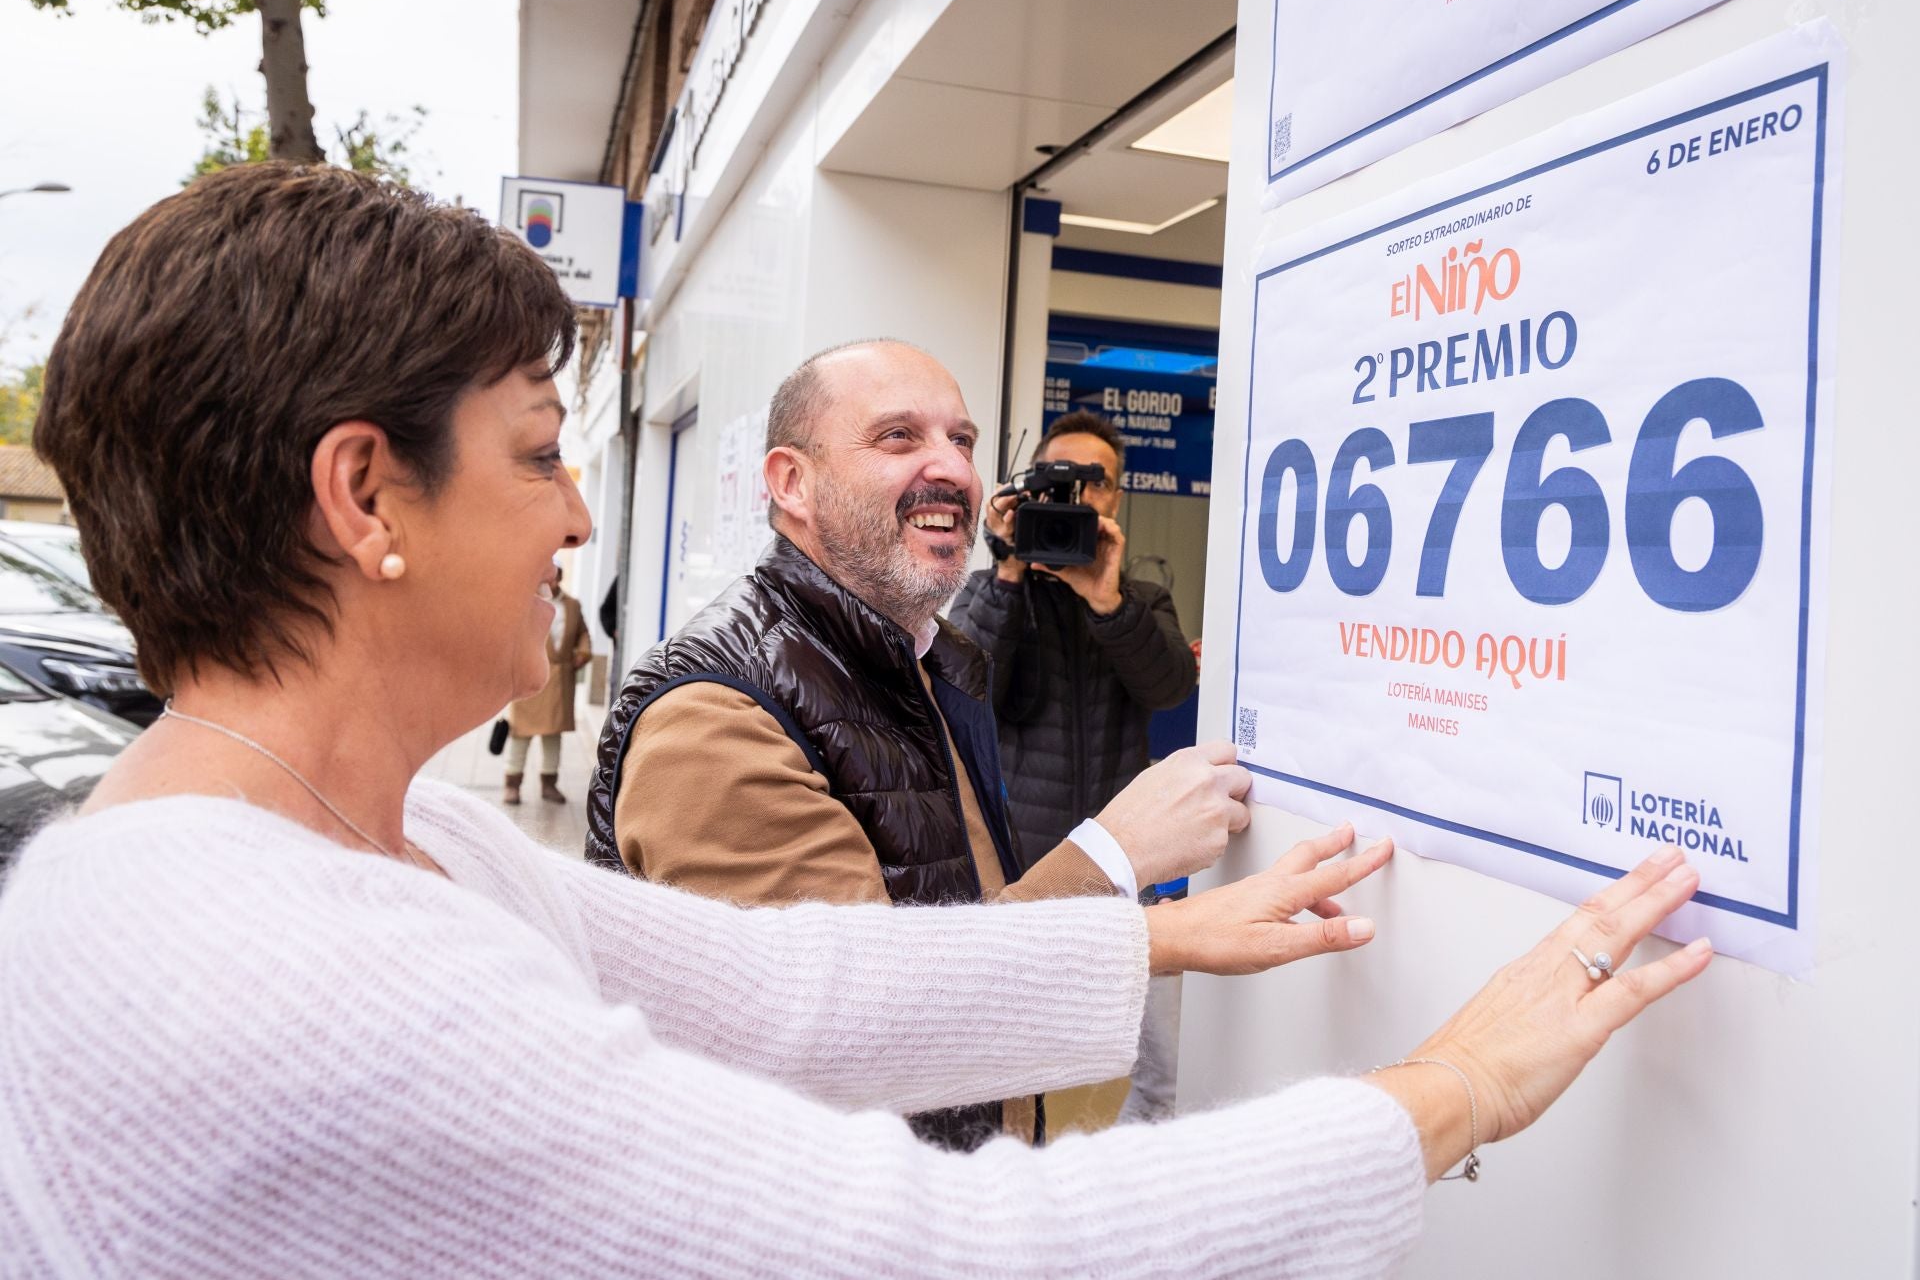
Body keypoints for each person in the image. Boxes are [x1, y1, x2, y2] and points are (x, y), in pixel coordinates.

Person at [2, 162, 1713, 1278]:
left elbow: (788, 994)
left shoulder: (394, 837)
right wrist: (1453, 1087)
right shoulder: (300, 980)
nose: (580, 522)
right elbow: (927, 1254)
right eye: (537, 456)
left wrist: (1162, 946)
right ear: (363, 493)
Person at [585, 339, 1229, 1150]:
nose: (953, 469)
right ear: (792, 482)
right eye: (898, 437)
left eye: (961, 441)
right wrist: (1116, 854)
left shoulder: (917, 659)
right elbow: (856, 1031)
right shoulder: (713, 716)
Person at [951, 411, 1196, 1123]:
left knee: (1153, 1068)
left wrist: (1107, 602)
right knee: (1005, 1070)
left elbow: (1170, 686)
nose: (1079, 497)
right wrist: (1005, 570)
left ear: (1117, 500)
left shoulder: (1140, 592)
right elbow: (965, 690)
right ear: (1029, 492)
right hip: (1029, 868)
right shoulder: (994, 587)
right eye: (1062, 480)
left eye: (1097, 482)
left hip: (1130, 867)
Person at [504, 560, 591, 805]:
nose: (551, 580)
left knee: (553, 735)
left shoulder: (572, 605)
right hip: (529, 677)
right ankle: (512, 783)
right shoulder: (526, 602)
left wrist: (582, 653)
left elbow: (583, 633)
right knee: (521, 733)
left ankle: (549, 784)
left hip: (559, 680)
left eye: (555, 575)